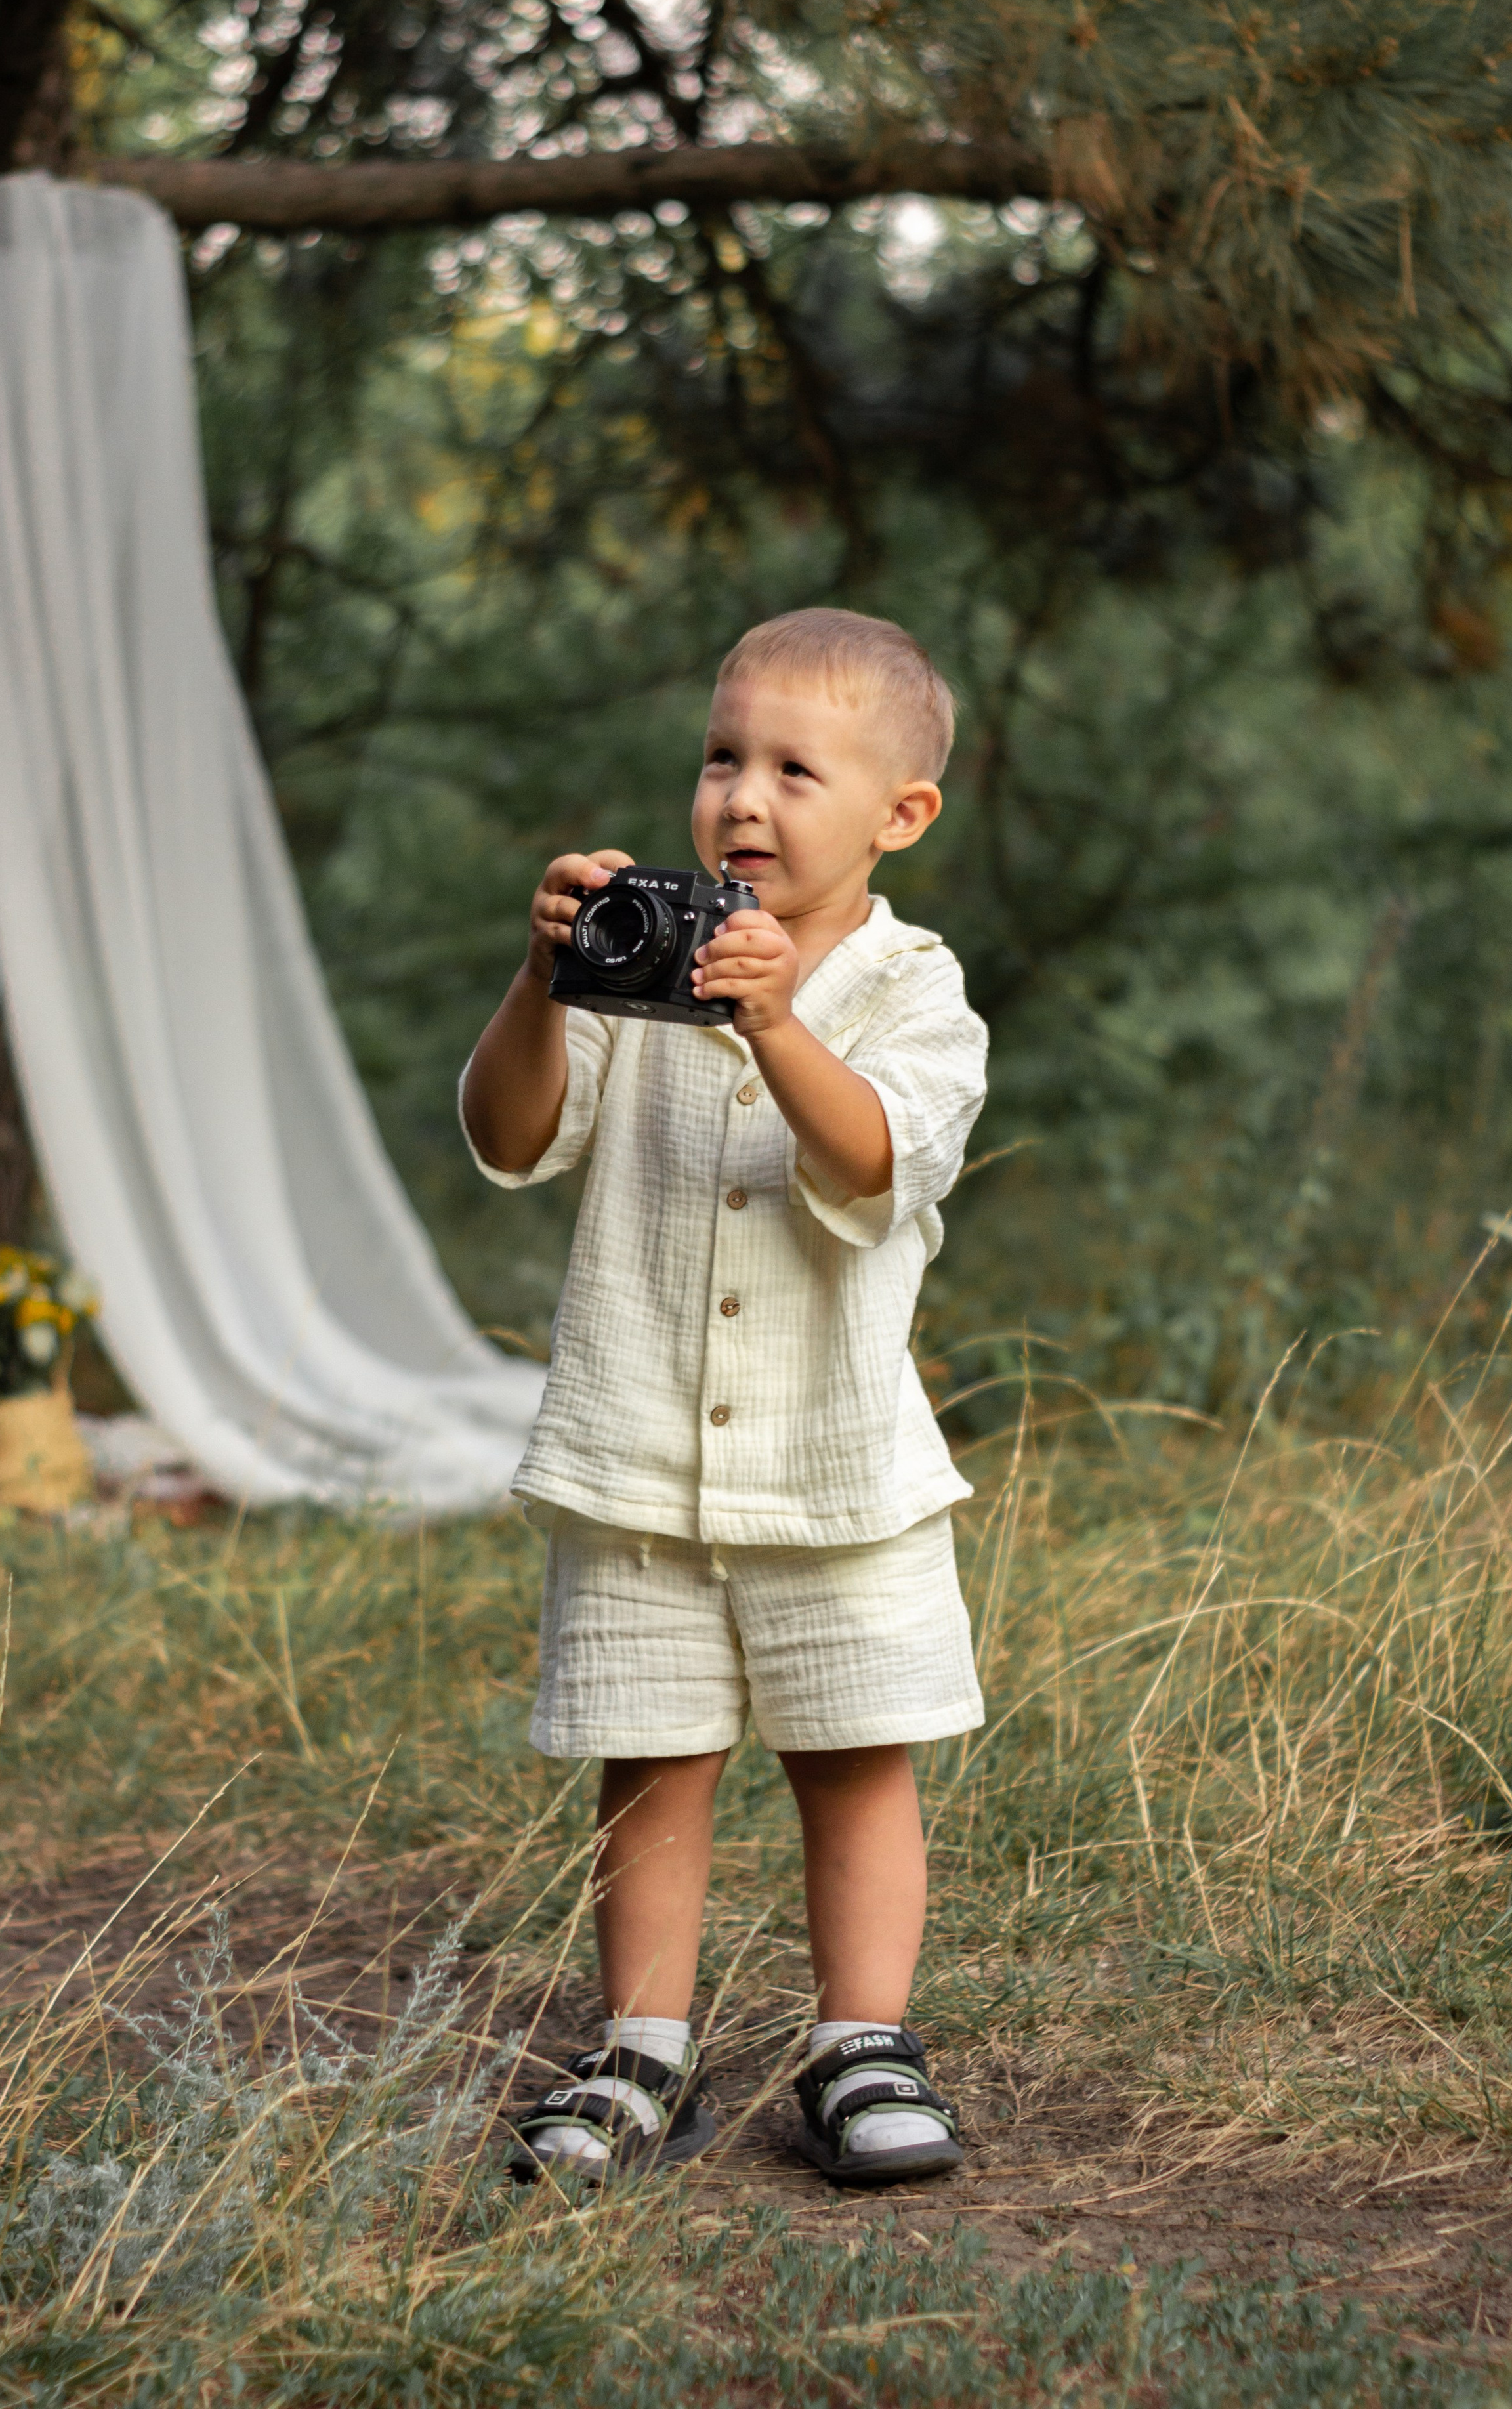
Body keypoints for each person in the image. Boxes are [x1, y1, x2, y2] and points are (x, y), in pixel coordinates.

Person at [459, 607, 988, 2188]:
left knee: (855, 1751)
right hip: (635, 1448)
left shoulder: (914, 989)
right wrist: (543, 976)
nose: (741, 799)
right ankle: (640, 2050)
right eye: (720, 758)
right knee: (651, 1760)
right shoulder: (644, 965)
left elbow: (876, 1161)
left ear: (898, 816)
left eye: (793, 770)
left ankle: (860, 2043)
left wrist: (767, 1018)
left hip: (835, 1462)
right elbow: (505, 1137)